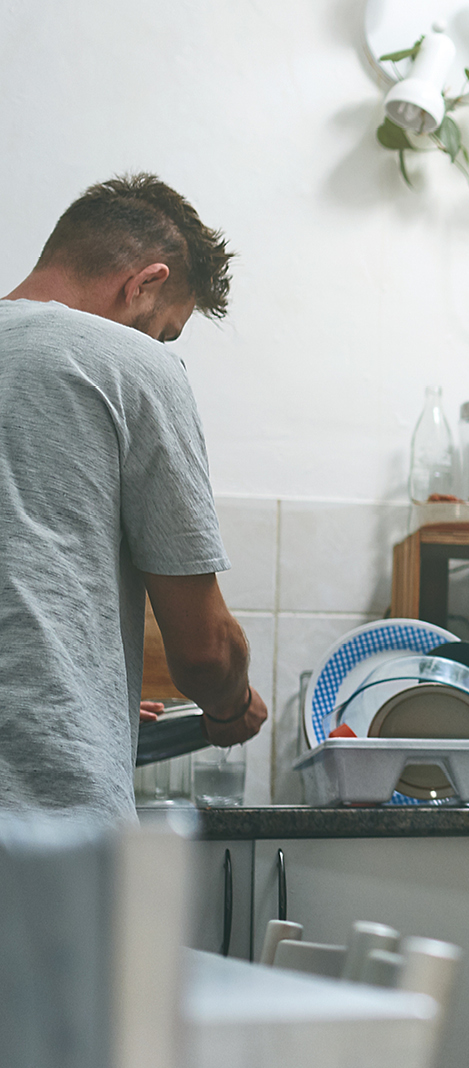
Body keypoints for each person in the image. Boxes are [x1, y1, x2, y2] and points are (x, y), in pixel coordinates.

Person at [1, 174, 268, 825]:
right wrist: (231, 705)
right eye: (167, 331)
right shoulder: (131, 364)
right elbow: (203, 652)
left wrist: (100, 696)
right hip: (47, 822)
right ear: (143, 284)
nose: (161, 346)